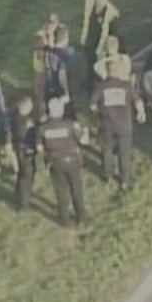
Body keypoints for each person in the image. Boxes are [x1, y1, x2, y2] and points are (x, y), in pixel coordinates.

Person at [90, 59, 145, 192]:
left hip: (107, 125)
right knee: (124, 153)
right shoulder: (126, 86)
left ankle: (108, 176)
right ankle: (124, 180)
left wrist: (99, 113)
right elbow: (138, 101)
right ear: (119, 71)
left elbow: (92, 105)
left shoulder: (101, 86)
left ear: (107, 71)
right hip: (124, 125)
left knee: (107, 151)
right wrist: (141, 113)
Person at [37, 97, 89, 227]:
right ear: (61, 111)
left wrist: (47, 159)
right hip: (72, 161)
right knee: (76, 189)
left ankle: (64, 219)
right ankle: (81, 216)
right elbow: (83, 141)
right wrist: (85, 131)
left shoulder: (42, 129)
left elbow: (39, 148)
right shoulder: (70, 125)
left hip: (55, 163)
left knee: (61, 191)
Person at [80, 0, 120, 91]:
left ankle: (97, 88)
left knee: (98, 68)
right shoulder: (89, 3)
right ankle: (88, 80)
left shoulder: (111, 14)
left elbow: (113, 34)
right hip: (88, 42)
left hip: (100, 47)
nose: (101, 2)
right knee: (89, 63)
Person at [9, 95, 40, 211]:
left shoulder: (15, 117)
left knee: (22, 175)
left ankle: (18, 194)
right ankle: (23, 204)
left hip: (18, 151)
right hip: (25, 153)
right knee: (26, 177)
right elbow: (27, 138)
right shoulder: (25, 123)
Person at [43, 26, 75, 120]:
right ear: (66, 38)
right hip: (61, 92)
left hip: (49, 89)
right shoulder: (67, 54)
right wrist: (66, 92)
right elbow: (62, 74)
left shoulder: (49, 53)